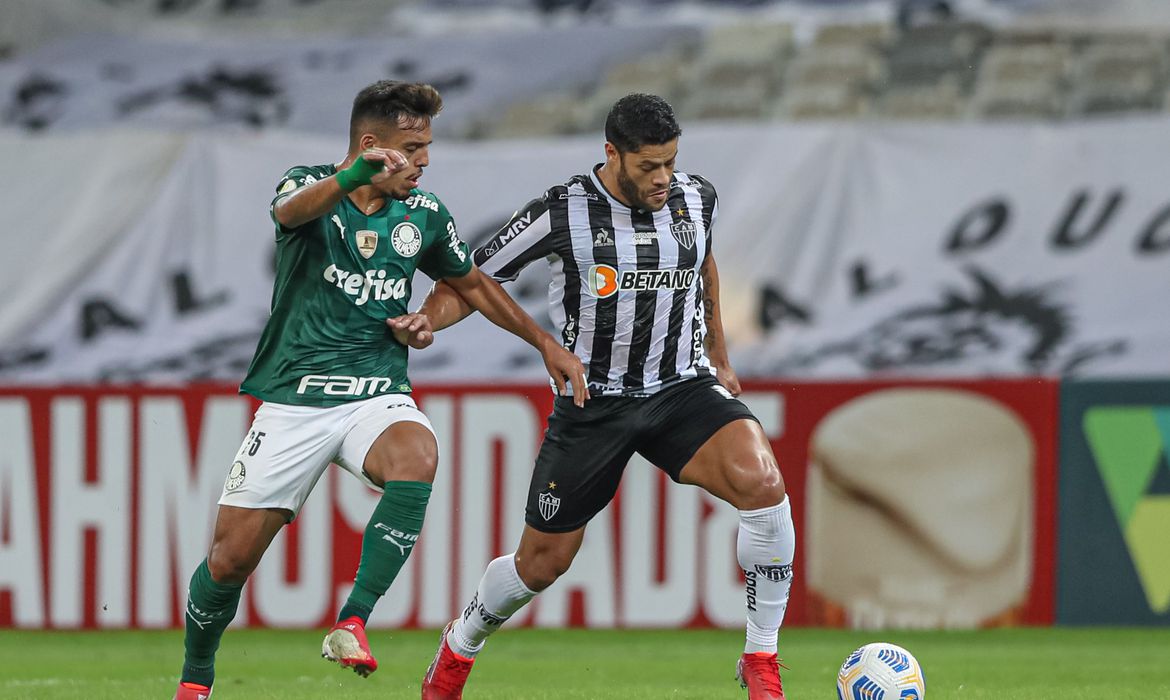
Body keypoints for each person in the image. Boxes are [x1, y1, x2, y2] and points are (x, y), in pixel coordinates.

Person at [171, 80, 586, 700]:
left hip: (375, 393)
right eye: (412, 149)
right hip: (294, 400)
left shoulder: (424, 215)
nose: (424, 161)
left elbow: (473, 285)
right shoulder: (308, 185)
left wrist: (542, 343)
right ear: (372, 146)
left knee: (418, 455)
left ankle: (352, 620)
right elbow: (289, 214)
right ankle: (195, 680)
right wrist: (352, 177)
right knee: (229, 561)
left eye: (427, 147)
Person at [410, 93, 794, 700]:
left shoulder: (697, 197)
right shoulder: (562, 211)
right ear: (612, 154)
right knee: (541, 565)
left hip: (681, 388)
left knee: (764, 484)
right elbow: (471, 279)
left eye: (670, 162)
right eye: (648, 166)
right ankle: (461, 642)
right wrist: (425, 320)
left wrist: (719, 353)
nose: (663, 178)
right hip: (595, 404)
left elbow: (703, 264)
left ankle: (761, 657)